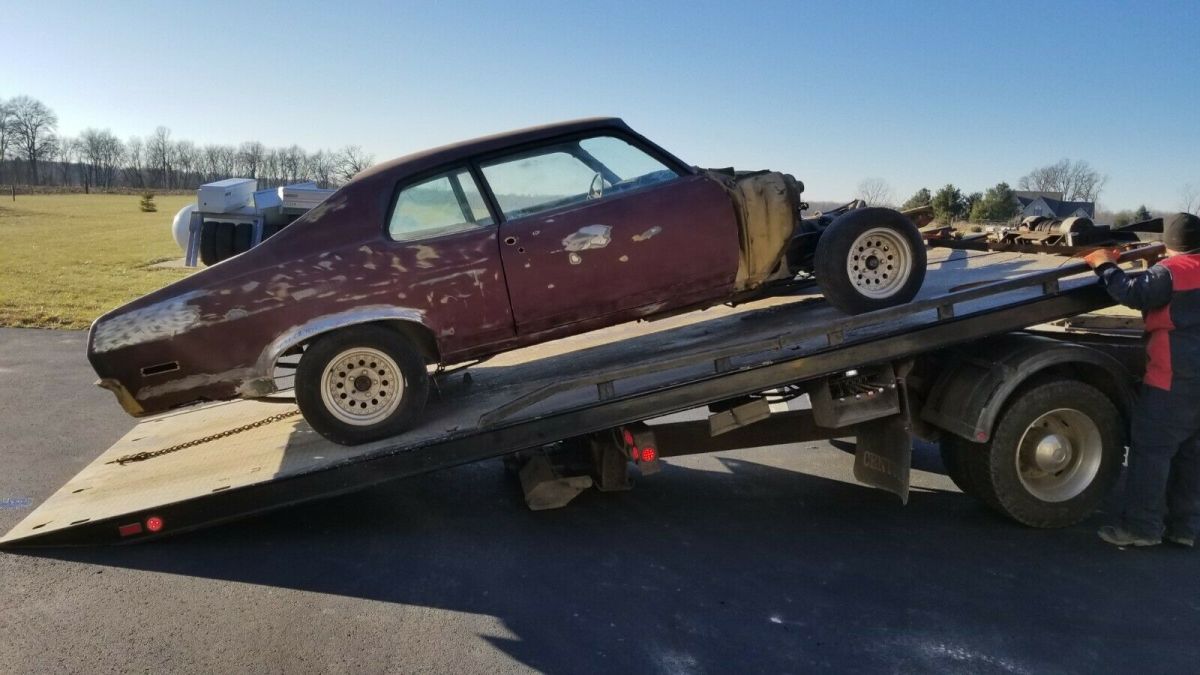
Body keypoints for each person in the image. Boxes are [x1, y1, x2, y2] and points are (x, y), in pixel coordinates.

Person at [1083, 212, 1200, 548]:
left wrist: (1104, 264)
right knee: (1191, 457)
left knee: (1152, 453)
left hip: (1172, 378)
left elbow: (1132, 293)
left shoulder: (1171, 273)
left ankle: (1143, 528)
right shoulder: (1174, 270)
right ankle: (1184, 529)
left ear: (1169, 242)